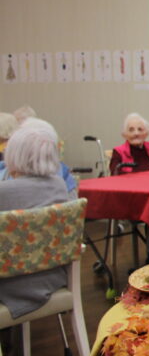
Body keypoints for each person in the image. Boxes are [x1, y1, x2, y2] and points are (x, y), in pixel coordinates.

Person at [0, 120, 76, 318]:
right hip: (52, 279)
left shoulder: (3, 192)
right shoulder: (59, 185)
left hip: (9, 286)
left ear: (13, 155)